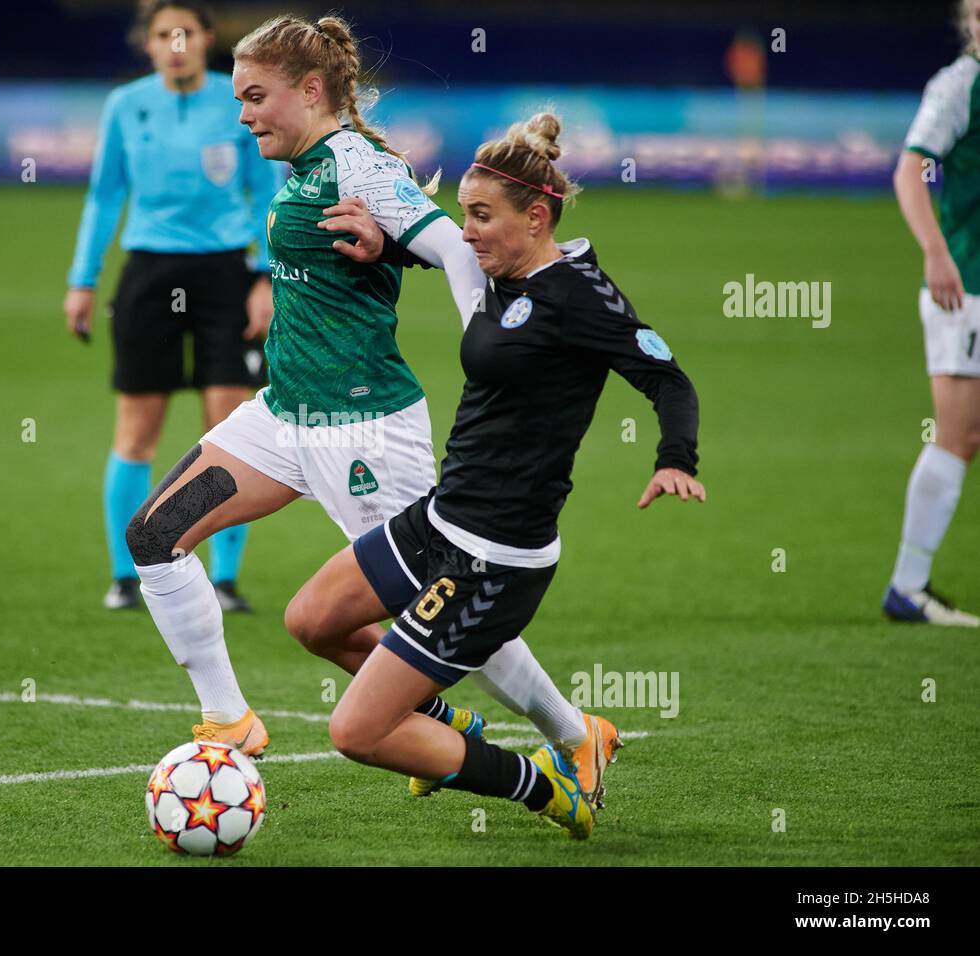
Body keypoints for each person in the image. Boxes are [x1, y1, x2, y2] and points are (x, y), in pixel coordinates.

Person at [125, 15, 620, 802]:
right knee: (154, 536)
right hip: (286, 417)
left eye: (256, 96)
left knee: (449, 607)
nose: (243, 114)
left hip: (364, 432)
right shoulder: (308, 164)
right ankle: (229, 721)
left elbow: (456, 246)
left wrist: (487, 349)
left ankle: (573, 732)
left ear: (311, 90)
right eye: (238, 98)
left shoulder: (356, 162)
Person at [310, 111, 704, 838]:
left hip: (494, 556)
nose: (466, 231)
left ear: (537, 216)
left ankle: (546, 785)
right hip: (440, 516)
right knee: (314, 619)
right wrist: (383, 244)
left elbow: (669, 379)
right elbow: (430, 240)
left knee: (356, 732)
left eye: (482, 215)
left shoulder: (581, 296)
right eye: (465, 213)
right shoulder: (500, 270)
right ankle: (445, 732)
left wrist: (675, 459)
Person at [64, 1, 282, 613]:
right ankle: (125, 575)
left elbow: (266, 189)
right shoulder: (125, 105)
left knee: (230, 426)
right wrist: (82, 280)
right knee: (138, 429)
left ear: (208, 39)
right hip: (148, 275)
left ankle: (226, 578)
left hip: (226, 276)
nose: (176, 43)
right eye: (164, 34)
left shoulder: (237, 101)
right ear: (150, 44)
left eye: (186, 32)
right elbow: (104, 196)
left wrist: (265, 275)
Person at [883, 0, 980, 627]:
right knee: (960, 434)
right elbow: (909, 173)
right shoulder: (960, 85)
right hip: (966, 287)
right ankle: (909, 586)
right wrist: (936, 252)